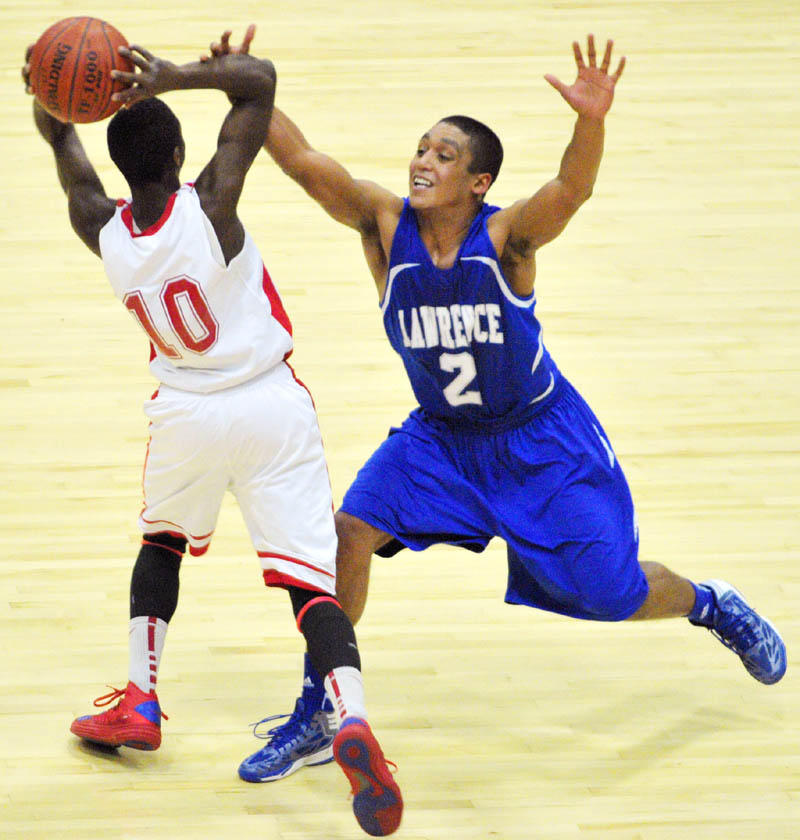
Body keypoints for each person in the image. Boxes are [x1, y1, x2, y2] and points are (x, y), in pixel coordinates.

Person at [208, 30, 788, 782]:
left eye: (444, 154)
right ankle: (322, 707)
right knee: (349, 531)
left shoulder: (507, 239)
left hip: (541, 443)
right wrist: (247, 93)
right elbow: (302, 162)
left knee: (611, 595)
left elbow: (570, 192)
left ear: (478, 183)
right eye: (421, 148)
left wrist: (591, 121)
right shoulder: (384, 226)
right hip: (442, 441)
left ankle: (711, 604)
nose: (422, 160)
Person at [23, 32, 402, 837]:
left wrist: (53, 92)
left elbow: (61, 141)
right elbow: (257, 86)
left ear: (122, 165)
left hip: (186, 413)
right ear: (183, 154)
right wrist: (175, 74)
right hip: (270, 407)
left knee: (160, 546)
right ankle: (353, 718)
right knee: (311, 588)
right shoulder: (213, 207)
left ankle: (141, 697)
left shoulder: (105, 231)